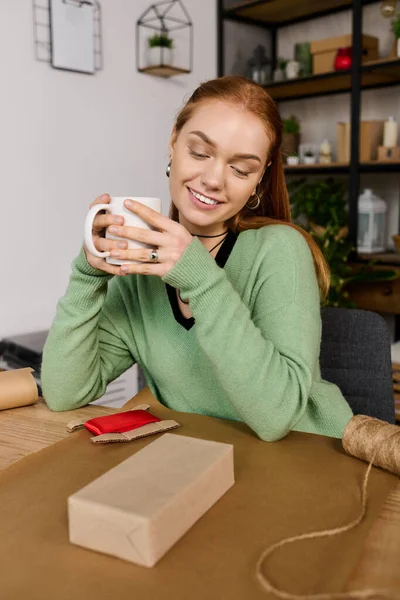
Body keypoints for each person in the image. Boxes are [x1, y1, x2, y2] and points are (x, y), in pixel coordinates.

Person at [41, 76, 353, 441]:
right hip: (206, 459)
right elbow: (65, 394)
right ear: (173, 143)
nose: (214, 179)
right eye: (200, 153)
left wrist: (200, 278)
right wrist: (88, 272)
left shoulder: (280, 250)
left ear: (260, 179)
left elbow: (276, 418)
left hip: (310, 458)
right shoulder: (142, 273)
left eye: (241, 169)